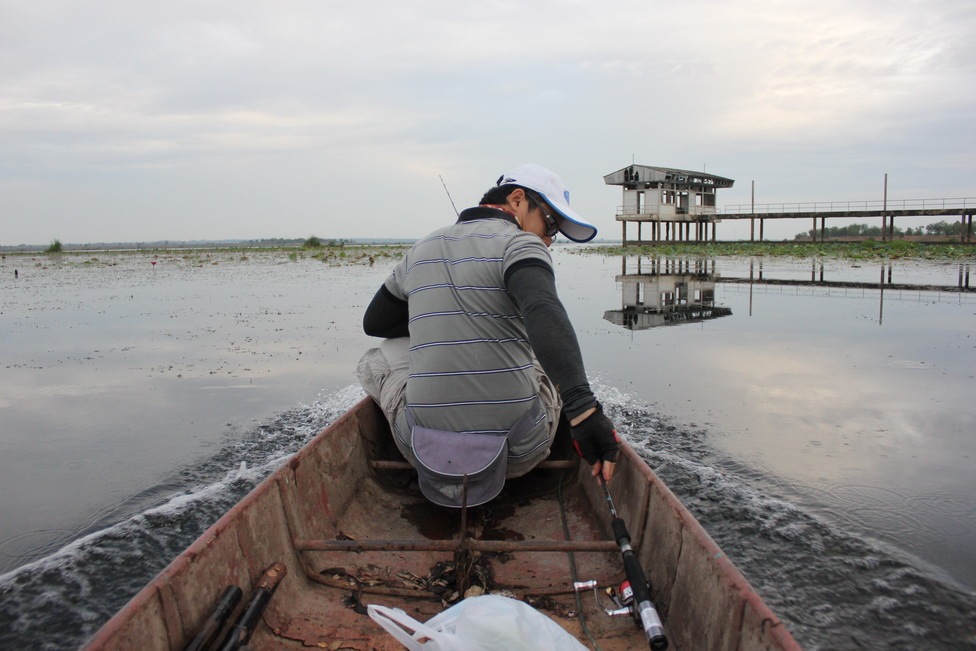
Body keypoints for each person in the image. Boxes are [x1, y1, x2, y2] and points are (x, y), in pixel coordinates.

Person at [356, 163, 619, 508]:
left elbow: (375, 324)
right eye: (551, 223)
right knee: (540, 354)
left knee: (378, 357)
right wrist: (584, 412)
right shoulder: (522, 244)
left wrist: (435, 321)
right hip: (519, 451)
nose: (550, 239)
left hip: (417, 446)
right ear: (518, 199)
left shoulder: (420, 249)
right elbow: (541, 307)